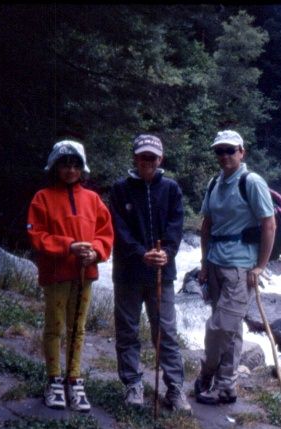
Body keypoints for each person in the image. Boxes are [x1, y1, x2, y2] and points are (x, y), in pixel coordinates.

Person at [27, 139, 114, 412]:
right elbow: (36, 235)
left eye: (75, 165)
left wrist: (96, 252)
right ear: (55, 167)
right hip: (56, 274)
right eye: (65, 164)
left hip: (84, 274)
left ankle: (74, 379)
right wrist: (68, 246)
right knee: (55, 326)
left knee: (78, 327)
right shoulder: (42, 197)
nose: (70, 170)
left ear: (82, 168)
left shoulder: (93, 199)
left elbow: (105, 234)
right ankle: (54, 379)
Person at [109, 134, 191, 413]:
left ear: (161, 159)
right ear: (135, 158)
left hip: (161, 273)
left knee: (166, 331)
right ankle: (133, 384)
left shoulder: (171, 189)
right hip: (128, 272)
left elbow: (176, 225)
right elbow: (117, 229)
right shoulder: (120, 189)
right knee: (128, 330)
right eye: (143, 156)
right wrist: (139, 252)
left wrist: (166, 251)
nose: (148, 162)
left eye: (153, 157)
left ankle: (175, 389)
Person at [195, 129, 276, 405]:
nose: (225, 155)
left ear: (242, 152)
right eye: (220, 150)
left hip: (241, 268)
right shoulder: (214, 183)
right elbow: (206, 225)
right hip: (216, 264)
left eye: (231, 150)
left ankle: (206, 374)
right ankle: (227, 386)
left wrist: (260, 266)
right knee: (231, 329)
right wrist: (204, 264)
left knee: (219, 327)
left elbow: (269, 224)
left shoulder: (251, 182)